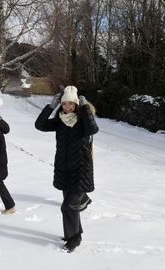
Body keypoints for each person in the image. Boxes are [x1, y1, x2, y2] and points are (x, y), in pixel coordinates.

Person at [35, 85, 98, 252]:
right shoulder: (60, 121)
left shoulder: (83, 120)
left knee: (67, 207)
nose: (67, 107)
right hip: (64, 170)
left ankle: (74, 238)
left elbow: (94, 129)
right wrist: (51, 106)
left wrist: (84, 108)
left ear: (76, 104)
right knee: (71, 206)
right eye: (64, 104)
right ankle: (76, 231)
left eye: (71, 104)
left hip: (81, 170)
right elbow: (39, 125)